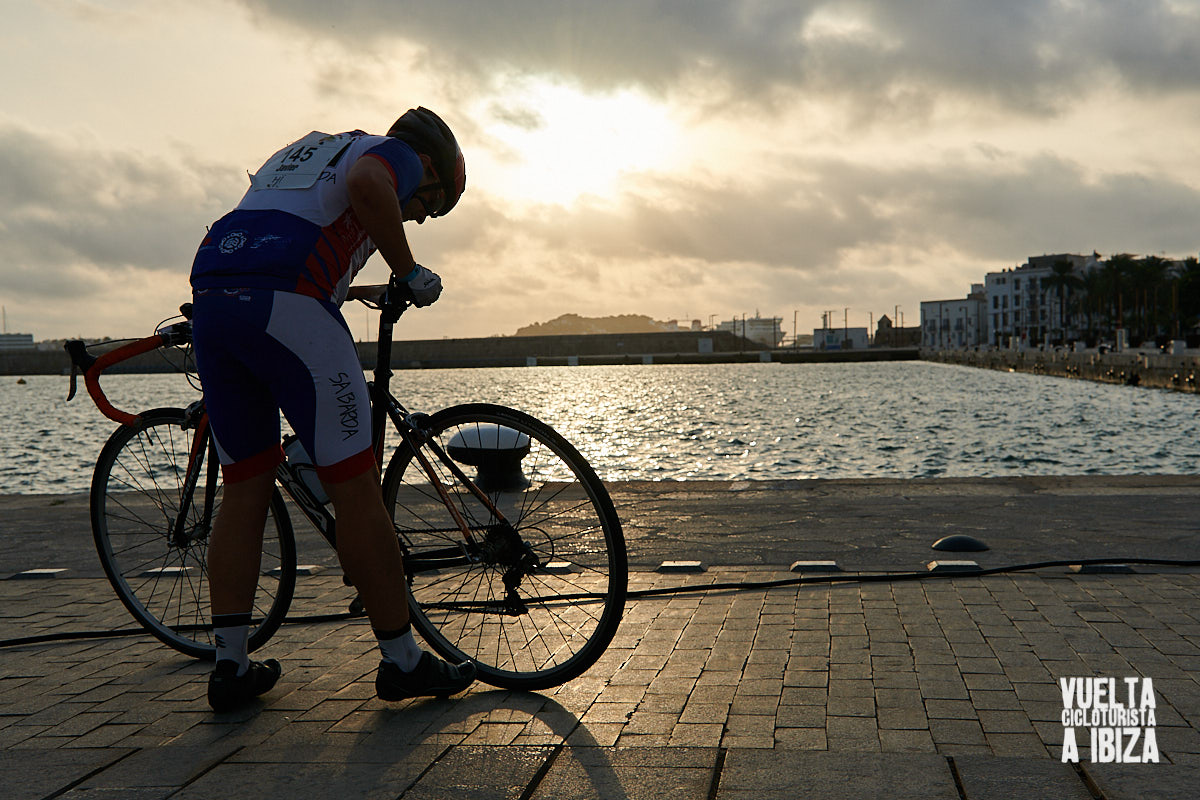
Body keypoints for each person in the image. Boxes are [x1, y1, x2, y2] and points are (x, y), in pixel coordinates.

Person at [188, 107, 475, 712]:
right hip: (285, 302)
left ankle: (230, 665)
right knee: (356, 489)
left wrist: (348, 287)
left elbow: (293, 229)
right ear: (426, 164)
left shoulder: (309, 151)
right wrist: (409, 270)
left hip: (214, 294)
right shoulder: (392, 153)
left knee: (244, 489)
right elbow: (371, 187)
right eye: (430, 202)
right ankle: (403, 662)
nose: (418, 214)